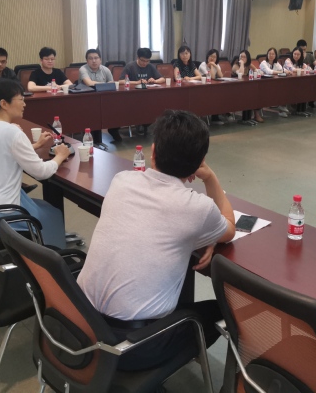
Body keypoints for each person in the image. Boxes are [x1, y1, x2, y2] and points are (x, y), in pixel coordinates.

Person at [77, 109, 235, 371]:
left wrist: (206, 234)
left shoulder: (122, 180)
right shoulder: (197, 208)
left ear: (153, 152)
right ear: (199, 162)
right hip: (132, 347)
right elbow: (229, 228)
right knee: (222, 309)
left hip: (81, 324)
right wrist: (211, 178)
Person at [0, 79, 71, 248]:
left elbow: (2, 152)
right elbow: (41, 172)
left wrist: (34, 146)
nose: (24, 104)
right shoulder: (12, 132)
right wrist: (60, 156)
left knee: (44, 207)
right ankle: (53, 258)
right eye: (21, 99)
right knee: (52, 214)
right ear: (4, 104)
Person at [119, 48, 165, 136]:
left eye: (147, 61)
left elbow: (162, 79)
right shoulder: (130, 66)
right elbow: (120, 81)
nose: (145, 63)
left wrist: (155, 81)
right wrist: (136, 82)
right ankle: (140, 123)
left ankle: (146, 123)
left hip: (147, 96)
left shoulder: (150, 66)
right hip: (132, 96)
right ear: (138, 58)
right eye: (143, 60)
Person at [79, 48, 120, 143]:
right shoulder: (83, 69)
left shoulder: (105, 69)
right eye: (90, 58)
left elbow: (112, 84)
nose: (94, 61)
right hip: (86, 101)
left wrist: (105, 85)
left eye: (96, 58)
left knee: (118, 108)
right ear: (87, 60)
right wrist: (105, 84)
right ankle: (92, 140)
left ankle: (113, 130)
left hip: (104, 99)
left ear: (100, 59)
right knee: (92, 113)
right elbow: (89, 83)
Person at [232, 50, 263, 125]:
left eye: (244, 57)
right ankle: (245, 119)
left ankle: (250, 117)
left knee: (256, 93)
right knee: (248, 95)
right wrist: (242, 64)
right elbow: (241, 73)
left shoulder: (248, 65)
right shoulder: (235, 66)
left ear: (248, 58)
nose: (242, 58)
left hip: (245, 88)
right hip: (235, 89)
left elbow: (257, 70)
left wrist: (258, 72)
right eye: (241, 57)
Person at [260, 47, 289, 118]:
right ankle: (281, 107)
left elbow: (282, 69)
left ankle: (282, 107)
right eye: (269, 54)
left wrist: (286, 71)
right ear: (267, 55)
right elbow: (269, 72)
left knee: (284, 88)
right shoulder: (263, 63)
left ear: (275, 55)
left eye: (273, 54)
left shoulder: (276, 63)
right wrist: (281, 71)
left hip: (273, 84)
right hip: (263, 85)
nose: (271, 55)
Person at [198, 49, 226, 125]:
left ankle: (216, 116)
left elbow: (221, 76)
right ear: (207, 56)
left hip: (211, 88)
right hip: (202, 88)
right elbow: (212, 77)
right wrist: (212, 66)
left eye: (214, 57)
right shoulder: (203, 65)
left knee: (219, 95)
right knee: (215, 95)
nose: (212, 58)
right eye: (211, 56)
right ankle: (214, 117)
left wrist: (215, 66)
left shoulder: (216, 65)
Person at [283, 47, 311, 116]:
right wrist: (302, 70)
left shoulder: (301, 63)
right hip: (287, 83)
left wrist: (302, 70)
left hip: (298, 83)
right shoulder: (288, 61)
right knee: (301, 89)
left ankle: (302, 110)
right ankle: (298, 110)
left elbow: (309, 69)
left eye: (298, 54)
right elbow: (293, 69)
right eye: (294, 54)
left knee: (305, 88)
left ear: (301, 55)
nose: (296, 56)